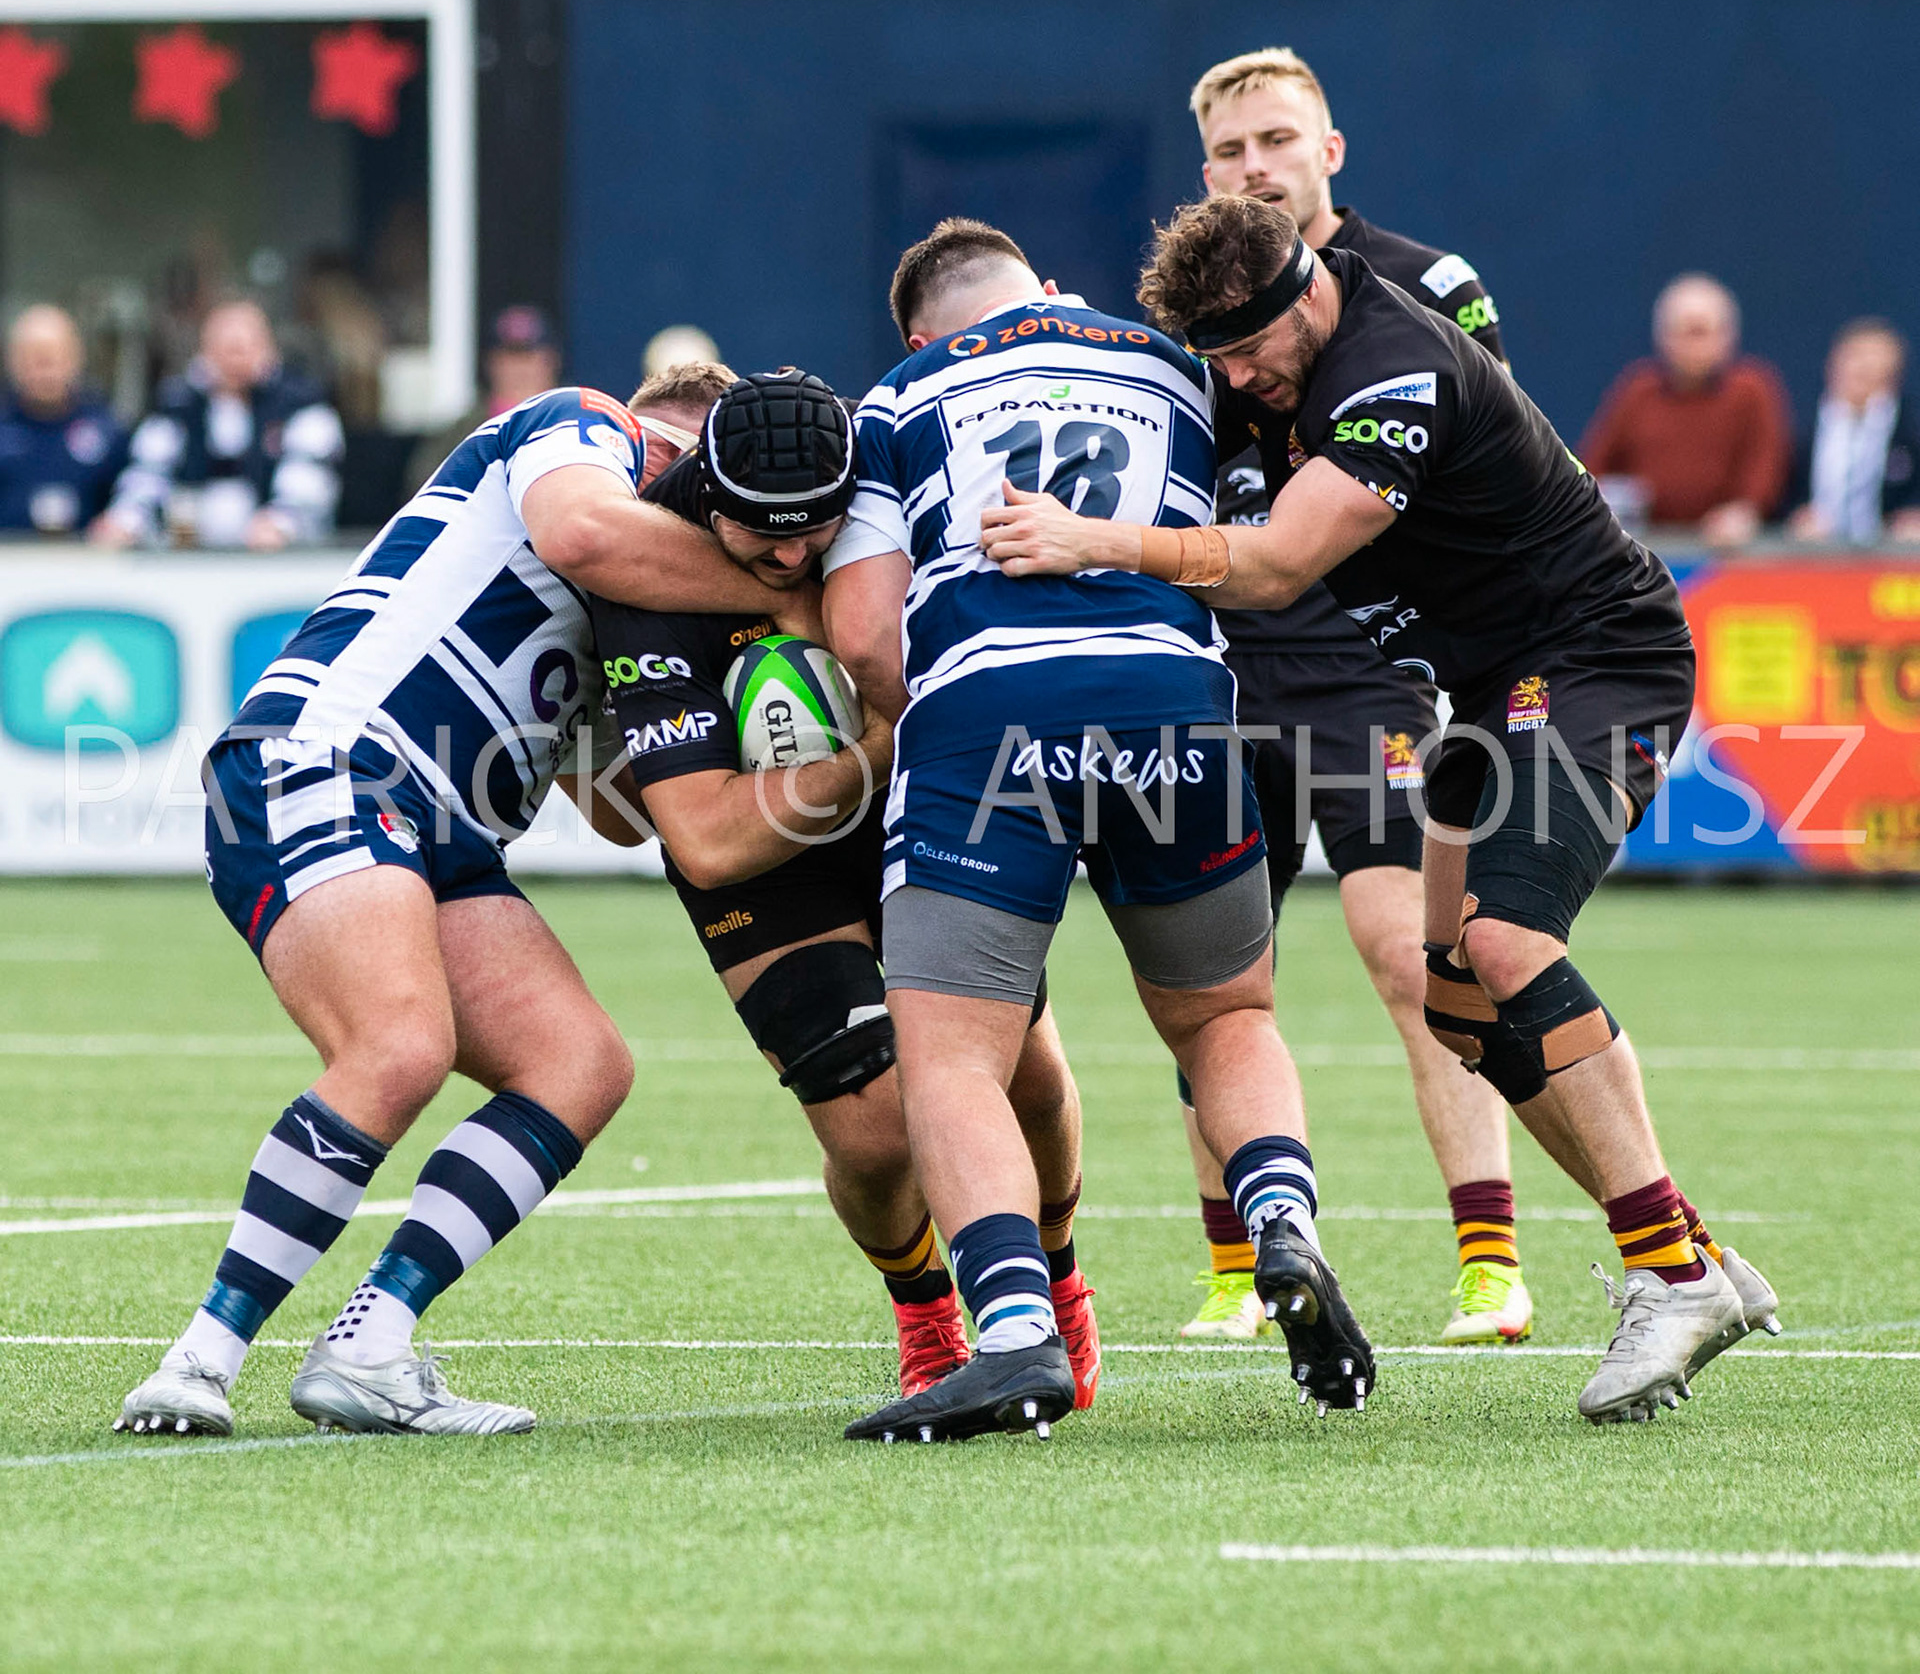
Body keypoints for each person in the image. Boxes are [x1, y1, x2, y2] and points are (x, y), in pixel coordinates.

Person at [981, 195, 1783, 1424]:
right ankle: (1688, 1251)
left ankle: (1667, 1274)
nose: (1236, 381)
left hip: (1598, 656)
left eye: (1246, 353)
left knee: (1512, 943)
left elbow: (1286, 560)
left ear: (1305, 296)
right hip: (1483, 689)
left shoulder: (1391, 366)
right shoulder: (1269, 341)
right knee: (1458, 996)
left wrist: (1089, 536)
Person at [113, 377, 847, 1439]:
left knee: (579, 1066)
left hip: (442, 830)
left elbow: (617, 816)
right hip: (333, 753)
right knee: (401, 1046)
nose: (729, 527)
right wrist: (794, 605)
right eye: (707, 486)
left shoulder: (637, 612)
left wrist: (764, 728)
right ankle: (197, 1361)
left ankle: (370, 1345)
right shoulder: (577, 426)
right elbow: (588, 531)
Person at [823, 217, 1375, 1443]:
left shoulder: (899, 395)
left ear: (920, 333)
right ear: (1052, 293)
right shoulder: (1176, 362)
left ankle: (1017, 1336)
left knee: (957, 1056)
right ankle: (1281, 1223)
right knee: (1227, 1018)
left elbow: (864, 637)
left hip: (988, 714)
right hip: (1172, 699)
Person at [589, 366, 1099, 1405]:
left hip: (923, 806)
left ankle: (1057, 1279)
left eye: (810, 532)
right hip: (768, 848)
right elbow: (704, 842)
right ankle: (925, 1315)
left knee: (1029, 1081)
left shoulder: (879, 491)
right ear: (708, 488)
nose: (789, 557)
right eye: (761, 536)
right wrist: (873, 742)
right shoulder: (641, 570)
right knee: (871, 1129)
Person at [1172, 46, 1530, 1348]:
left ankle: (1489, 1263)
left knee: (1414, 956)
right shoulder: (1183, 316)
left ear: (1331, 149)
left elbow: (1491, 476)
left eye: (1279, 139)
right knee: (1213, 981)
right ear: (1204, 168)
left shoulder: (1430, 292)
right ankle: (1235, 1273)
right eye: (1231, 149)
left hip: (1375, 674)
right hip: (1220, 683)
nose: (1256, 165)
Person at [94, 299, 344, 550]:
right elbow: (148, 473)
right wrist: (126, 522)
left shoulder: (301, 404)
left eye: (245, 348)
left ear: (268, 349)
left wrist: (281, 522)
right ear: (206, 352)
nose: (236, 360)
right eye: (227, 349)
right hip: (187, 559)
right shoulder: (178, 405)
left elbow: (308, 481)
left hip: (279, 559)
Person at [1580, 274, 1791, 546]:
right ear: (1663, 337)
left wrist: (1745, 511)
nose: (1694, 346)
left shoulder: (1752, 390)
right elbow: (1594, 465)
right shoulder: (1638, 389)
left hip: (1726, 550)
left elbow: (1765, 466)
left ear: (1727, 336)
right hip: (1645, 547)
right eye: (1684, 333)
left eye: (1701, 332)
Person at [1784, 318, 1920, 543]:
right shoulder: (1803, 428)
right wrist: (1798, 516)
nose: (1863, 365)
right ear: (1832, 364)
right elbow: (1781, 493)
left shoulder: (1911, 429)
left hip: (1891, 558)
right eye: (1855, 355)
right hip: (1815, 556)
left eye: (1875, 358)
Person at [407, 305, 565, 496]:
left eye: (530, 356)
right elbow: (422, 493)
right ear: (492, 362)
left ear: (550, 361)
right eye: (511, 356)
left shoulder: (573, 420)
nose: (521, 368)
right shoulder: (462, 432)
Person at [0, 304, 127, 538]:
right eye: (33, 358)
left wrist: (122, 523)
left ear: (76, 357)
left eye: (52, 357)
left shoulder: (107, 429)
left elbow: (132, 497)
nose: (43, 369)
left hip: (87, 567)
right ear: (12, 361)